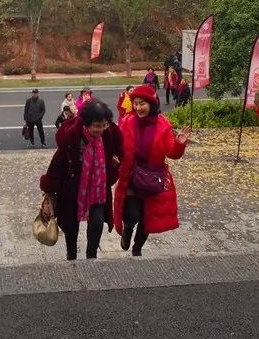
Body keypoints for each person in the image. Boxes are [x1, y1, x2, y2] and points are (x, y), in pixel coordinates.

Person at [40, 100, 123, 260]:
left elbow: (119, 153)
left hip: (98, 188)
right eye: (96, 126)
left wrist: (115, 165)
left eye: (104, 125)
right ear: (86, 123)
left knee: (97, 222)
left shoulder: (108, 135)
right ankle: (71, 255)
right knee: (71, 227)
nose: (100, 129)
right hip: (72, 189)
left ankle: (91, 255)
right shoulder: (73, 137)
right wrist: (49, 189)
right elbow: (58, 161)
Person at [114, 84, 190, 256]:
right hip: (132, 175)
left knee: (147, 219)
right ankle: (127, 230)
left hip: (153, 177)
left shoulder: (163, 125)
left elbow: (172, 153)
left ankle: (137, 248)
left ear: (152, 104)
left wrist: (179, 144)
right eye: (136, 103)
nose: (138, 107)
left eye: (142, 104)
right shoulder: (127, 122)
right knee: (132, 214)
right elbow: (117, 144)